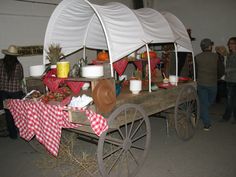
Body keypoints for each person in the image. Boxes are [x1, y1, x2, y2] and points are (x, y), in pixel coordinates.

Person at [195, 38, 224, 131]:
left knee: (204, 103)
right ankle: (207, 124)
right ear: (209, 47)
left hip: (201, 83)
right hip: (212, 83)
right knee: (209, 102)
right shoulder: (216, 56)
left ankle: (200, 113)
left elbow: (195, 71)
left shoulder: (197, 57)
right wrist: (218, 77)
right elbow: (221, 70)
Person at [0, 45, 24, 139]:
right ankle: (21, 131)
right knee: (18, 112)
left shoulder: (1, 63)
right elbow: (21, 77)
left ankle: (13, 134)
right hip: (16, 92)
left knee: (8, 113)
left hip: (4, 92)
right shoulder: (18, 65)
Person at [221, 37, 236, 123]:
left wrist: (228, 70)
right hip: (229, 80)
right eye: (229, 43)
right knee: (231, 100)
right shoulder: (230, 55)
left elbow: (231, 68)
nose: (229, 45)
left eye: (231, 43)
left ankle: (226, 117)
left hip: (234, 80)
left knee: (231, 100)